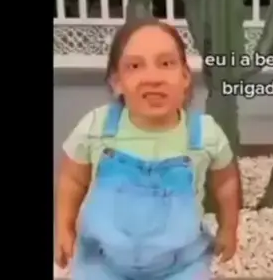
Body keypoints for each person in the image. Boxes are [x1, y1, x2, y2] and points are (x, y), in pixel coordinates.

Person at [54, 18, 241, 280]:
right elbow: (72, 179)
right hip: (102, 261)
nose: (153, 78)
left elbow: (226, 183)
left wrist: (229, 228)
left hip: (181, 264)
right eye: (135, 66)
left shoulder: (205, 134)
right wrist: (63, 227)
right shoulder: (96, 127)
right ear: (116, 82)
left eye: (166, 63)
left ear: (185, 77)